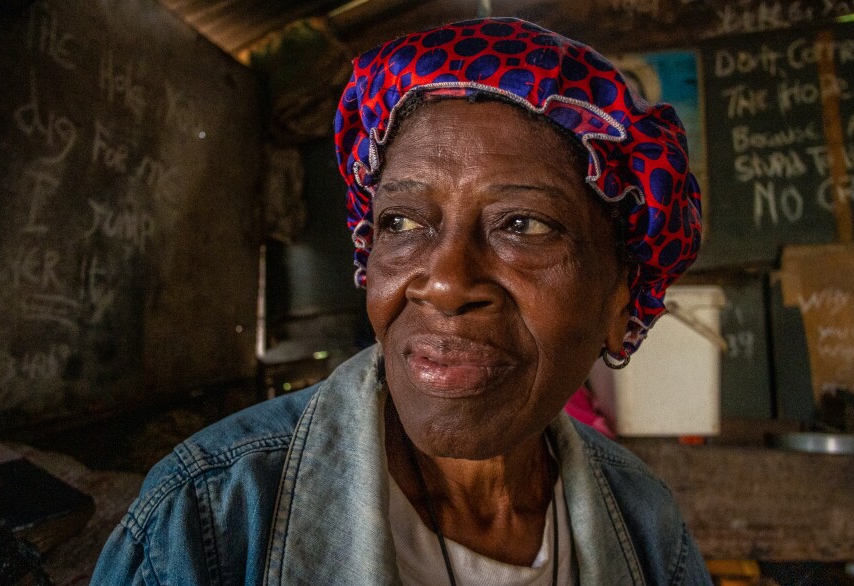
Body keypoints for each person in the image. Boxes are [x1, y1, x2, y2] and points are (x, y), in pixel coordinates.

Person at [92, 17, 710, 585]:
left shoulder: (646, 526)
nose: (444, 283)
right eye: (403, 222)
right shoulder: (206, 518)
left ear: (621, 301)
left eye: (523, 225)